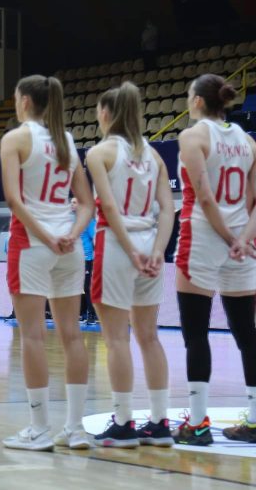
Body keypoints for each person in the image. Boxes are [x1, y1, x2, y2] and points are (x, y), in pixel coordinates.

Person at [0, 75, 94, 451]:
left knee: (33, 336)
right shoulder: (66, 141)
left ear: (24, 101)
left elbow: (13, 199)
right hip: (69, 248)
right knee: (73, 336)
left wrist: (45, 235)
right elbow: (87, 203)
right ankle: (75, 427)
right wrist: (71, 233)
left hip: (32, 245)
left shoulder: (16, 139)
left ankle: (39, 428)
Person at [87, 82, 175, 448]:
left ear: (106, 113)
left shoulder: (99, 153)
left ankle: (123, 422)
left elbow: (108, 207)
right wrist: (157, 251)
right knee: (149, 336)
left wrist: (130, 250)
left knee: (116, 338)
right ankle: (159, 422)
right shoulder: (154, 155)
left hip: (116, 245)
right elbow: (168, 209)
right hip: (150, 242)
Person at [173, 74, 256, 445]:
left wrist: (227, 239)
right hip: (243, 243)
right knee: (247, 334)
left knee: (196, 333)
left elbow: (205, 198)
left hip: (204, 238)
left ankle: (198, 424)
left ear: (197, 101)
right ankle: (254, 421)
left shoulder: (192, 137)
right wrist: (242, 239)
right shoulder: (248, 141)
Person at [72, 198, 98, 325]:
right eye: (71, 202)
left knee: (87, 287)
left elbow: (95, 238)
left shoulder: (88, 221)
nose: (72, 204)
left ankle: (92, 314)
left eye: (75, 202)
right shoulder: (71, 221)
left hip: (88, 259)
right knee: (77, 287)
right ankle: (81, 313)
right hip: (76, 259)